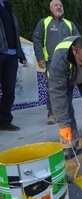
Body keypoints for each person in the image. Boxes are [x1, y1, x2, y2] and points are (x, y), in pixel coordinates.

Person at [33, 0, 79, 125]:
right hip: (51, 62)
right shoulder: (44, 22)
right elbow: (37, 40)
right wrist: (40, 58)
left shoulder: (70, 25)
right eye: (56, 5)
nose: (59, 7)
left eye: (61, 5)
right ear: (50, 8)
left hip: (69, 63)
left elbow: (77, 42)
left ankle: (65, 112)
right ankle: (52, 114)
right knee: (52, 88)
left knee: (68, 88)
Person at [0, 0, 28, 131]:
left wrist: (21, 54)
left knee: (9, 91)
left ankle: (4, 120)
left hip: (11, 55)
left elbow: (14, 34)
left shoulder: (8, 7)